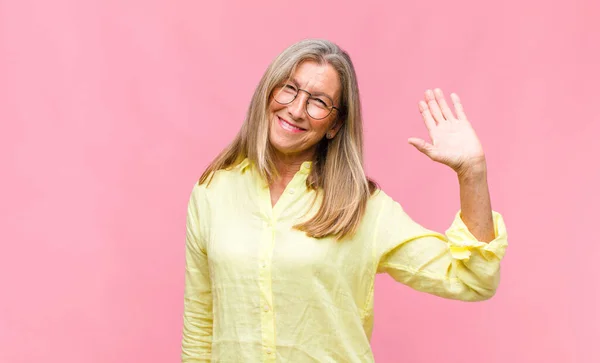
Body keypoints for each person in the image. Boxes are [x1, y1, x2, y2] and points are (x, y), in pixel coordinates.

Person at [181, 39, 508, 362]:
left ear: (335, 124)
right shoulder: (212, 191)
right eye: (289, 88)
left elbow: (472, 280)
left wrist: (472, 173)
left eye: (319, 102)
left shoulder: (362, 207)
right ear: (268, 92)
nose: (296, 110)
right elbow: (199, 321)